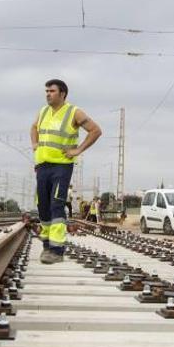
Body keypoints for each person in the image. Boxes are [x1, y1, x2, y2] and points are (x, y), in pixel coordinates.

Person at [30, 79, 102, 264]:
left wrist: (78, 150)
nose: (48, 94)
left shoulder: (73, 112)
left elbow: (95, 130)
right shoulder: (43, 111)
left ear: (62, 94)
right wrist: (35, 144)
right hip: (42, 166)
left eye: (52, 91)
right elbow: (33, 128)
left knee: (56, 204)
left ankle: (57, 250)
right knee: (43, 206)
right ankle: (47, 245)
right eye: (46, 91)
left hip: (61, 166)